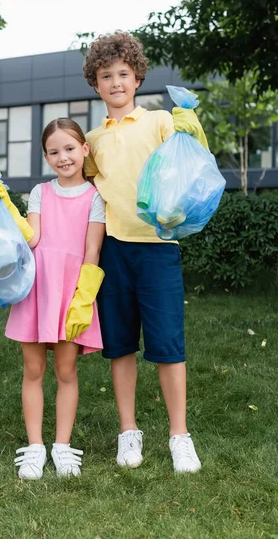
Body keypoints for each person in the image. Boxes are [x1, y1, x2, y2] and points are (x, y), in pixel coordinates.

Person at [83, 31, 209, 473]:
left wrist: (192, 126)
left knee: (168, 343)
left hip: (158, 249)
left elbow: (191, 164)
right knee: (119, 346)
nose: (115, 82)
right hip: (114, 252)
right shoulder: (93, 139)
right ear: (95, 84)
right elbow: (84, 187)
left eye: (123, 73)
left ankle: (180, 435)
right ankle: (128, 432)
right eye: (105, 75)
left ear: (137, 77)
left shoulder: (158, 122)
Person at [0, 118, 106, 480]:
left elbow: (92, 250)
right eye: (54, 152)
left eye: (69, 148)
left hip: (71, 291)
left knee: (66, 370)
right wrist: (6, 204)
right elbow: (33, 238)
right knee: (33, 369)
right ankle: (35, 447)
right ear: (46, 156)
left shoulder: (96, 196)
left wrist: (83, 299)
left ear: (84, 149)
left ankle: (62, 447)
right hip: (38, 290)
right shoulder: (41, 192)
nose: (62, 157)